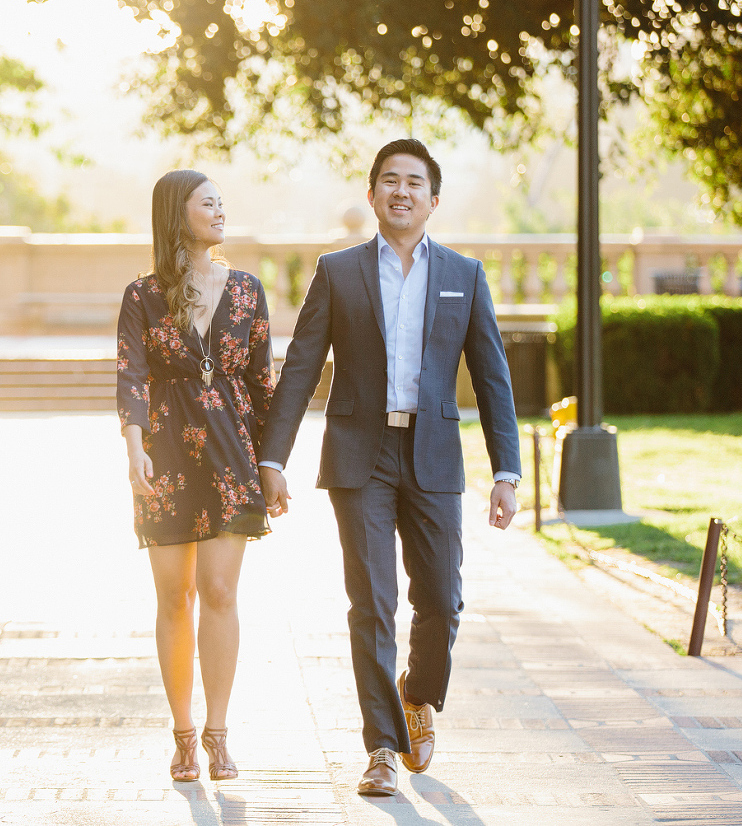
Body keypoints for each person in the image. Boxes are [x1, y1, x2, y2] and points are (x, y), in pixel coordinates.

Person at [257, 139, 522, 796]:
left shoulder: (463, 273)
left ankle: (416, 691)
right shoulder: (338, 270)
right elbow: (301, 366)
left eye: (413, 182)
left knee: (441, 599)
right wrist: (272, 456)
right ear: (372, 195)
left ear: (433, 199)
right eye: (388, 181)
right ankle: (379, 745)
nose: (400, 191)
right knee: (370, 602)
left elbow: (492, 377)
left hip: (432, 456)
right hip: (359, 456)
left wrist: (506, 470)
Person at [116, 169, 276, 783]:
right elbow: (130, 374)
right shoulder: (143, 295)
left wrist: (273, 463)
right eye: (206, 202)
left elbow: (264, 383)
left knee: (220, 592)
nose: (218, 210)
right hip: (164, 455)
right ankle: (182, 732)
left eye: (220, 202)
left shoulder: (246, 290)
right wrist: (133, 447)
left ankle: (218, 731)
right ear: (175, 214)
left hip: (232, 456)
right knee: (172, 596)